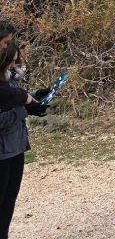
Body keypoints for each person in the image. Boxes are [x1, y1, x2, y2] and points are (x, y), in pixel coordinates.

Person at [0, 43, 46, 239]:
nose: (15, 64)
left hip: (16, 149)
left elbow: (20, 100)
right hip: (2, 153)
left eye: (17, 60)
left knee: (8, 204)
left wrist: (36, 97)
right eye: (12, 60)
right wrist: (25, 110)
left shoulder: (9, 81)